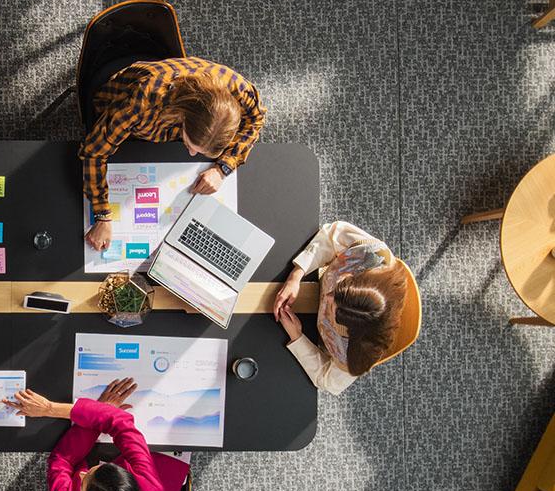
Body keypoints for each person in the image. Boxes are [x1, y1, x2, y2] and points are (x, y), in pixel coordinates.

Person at [79, 56, 266, 250]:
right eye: (190, 144)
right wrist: (103, 216)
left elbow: (256, 119)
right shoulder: (143, 102)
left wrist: (223, 167)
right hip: (121, 112)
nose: (192, 154)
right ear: (184, 115)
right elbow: (94, 152)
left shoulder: (239, 89)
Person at [2, 379, 189, 491]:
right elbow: (121, 422)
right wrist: (96, 412)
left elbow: (59, 461)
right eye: (97, 469)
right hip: (163, 473)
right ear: (128, 474)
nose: (83, 472)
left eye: (82, 483)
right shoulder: (147, 483)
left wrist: (92, 414)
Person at [273, 221, 409, 395]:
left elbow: (328, 381)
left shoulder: (355, 352)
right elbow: (332, 236)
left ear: (348, 333)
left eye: (330, 309)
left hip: (310, 331)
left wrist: (297, 337)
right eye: (339, 286)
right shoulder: (372, 256)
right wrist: (297, 274)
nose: (327, 296)